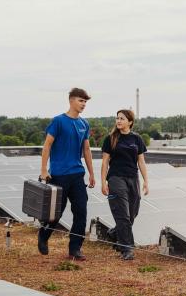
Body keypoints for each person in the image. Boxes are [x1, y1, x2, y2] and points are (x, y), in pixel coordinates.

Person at [38, 88, 96, 261]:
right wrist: (43, 170)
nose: (83, 104)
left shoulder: (84, 124)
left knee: (81, 212)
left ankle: (75, 249)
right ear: (71, 101)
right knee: (56, 213)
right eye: (81, 101)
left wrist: (92, 174)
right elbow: (47, 145)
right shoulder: (58, 121)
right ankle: (44, 234)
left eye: (85, 102)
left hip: (77, 174)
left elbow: (86, 149)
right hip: (59, 175)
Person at [101, 109, 149, 260]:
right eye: (117, 118)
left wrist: (146, 181)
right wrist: (103, 181)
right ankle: (127, 249)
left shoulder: (137, 139)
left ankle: (115, 233)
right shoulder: (111, 138)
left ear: (130, 122)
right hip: (116, 178)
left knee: (133, 212)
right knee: (122, 214)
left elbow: (141, 161)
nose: (119, 121)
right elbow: (105, 162)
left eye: (122, 118)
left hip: (133, 178)